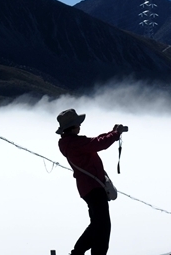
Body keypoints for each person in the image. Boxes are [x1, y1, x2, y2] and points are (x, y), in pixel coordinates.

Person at [56, 108, 127, 255]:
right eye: (77, 124)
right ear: (73, 127)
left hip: (87, 188)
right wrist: (115, 134)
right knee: (102, 226)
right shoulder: (76, 143)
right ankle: (79, 252)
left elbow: (93, 142)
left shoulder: (69, 142)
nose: (80, 126)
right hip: (94, 188)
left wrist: (111, 133)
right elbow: (98, 144)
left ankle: (79, 252)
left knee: (98, 224)